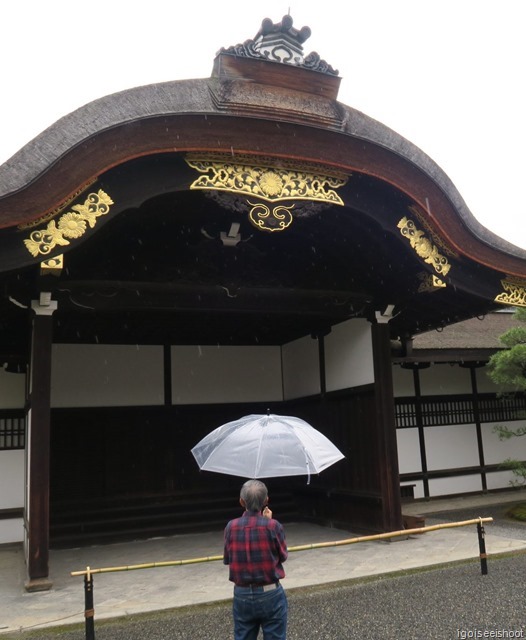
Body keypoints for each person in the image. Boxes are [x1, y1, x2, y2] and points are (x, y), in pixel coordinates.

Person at [223, 479, 288, 640]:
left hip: (242, 592)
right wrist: (268, 522)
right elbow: (283, 555)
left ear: (241, 501)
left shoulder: (231, 526)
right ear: (266, 501)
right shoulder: (273, 526)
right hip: (270, 591)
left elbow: (227, 558)